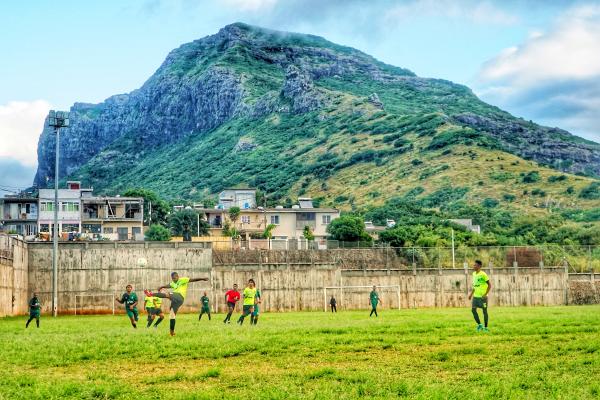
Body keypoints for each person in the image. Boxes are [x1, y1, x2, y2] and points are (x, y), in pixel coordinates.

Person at [468, 260, 491, 332]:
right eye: (474, 265)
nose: (474, 266)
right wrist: (471, 294)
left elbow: (489, 285)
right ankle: (480, 325)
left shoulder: (483, 274)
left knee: (484, 311)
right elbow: (475, 286)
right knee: (473, 310)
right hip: (475, 296)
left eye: (475, 265)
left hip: (482, 297)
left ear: (480, 266)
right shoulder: (474, 274)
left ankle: (486, 328)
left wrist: (485, 294)